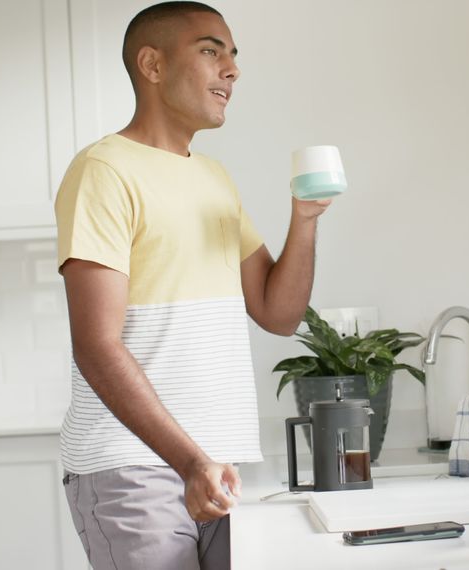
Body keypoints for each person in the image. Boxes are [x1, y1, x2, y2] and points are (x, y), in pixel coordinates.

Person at [53, 2, 332, 569]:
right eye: (211, 50)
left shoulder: (212, 178)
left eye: (233, 56)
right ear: (152, 65)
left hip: (215, 465)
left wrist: (304, 219)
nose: (231, 69)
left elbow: (277, 312)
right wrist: (188, 463)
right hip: (132, 467)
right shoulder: (103, 171)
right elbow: (97, 345)